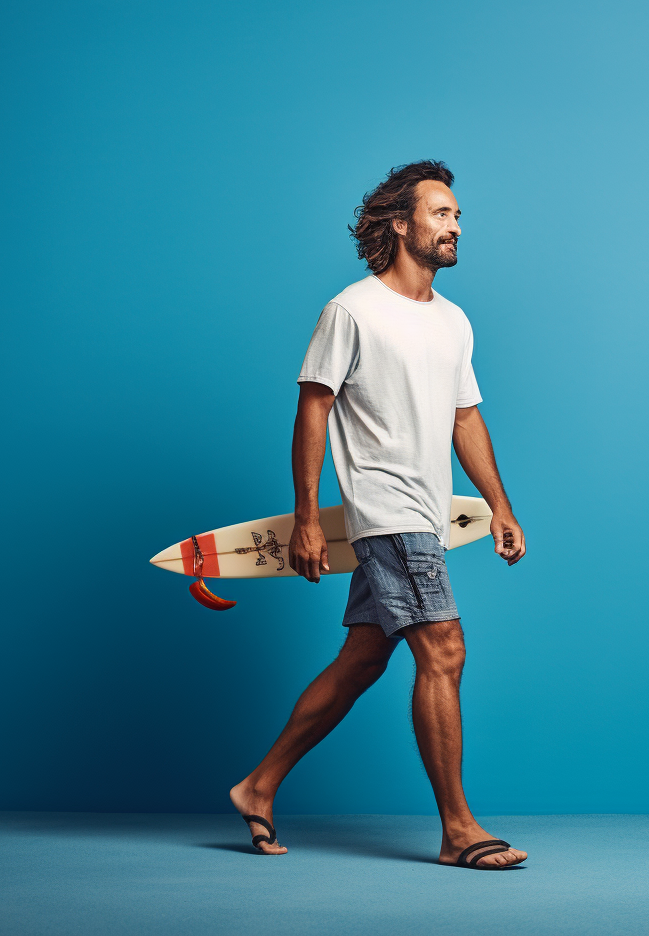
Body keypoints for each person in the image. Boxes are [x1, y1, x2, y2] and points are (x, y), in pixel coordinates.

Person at [229, 161, 527, 870]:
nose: (455, 225)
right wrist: (307, 518)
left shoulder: (453, 321)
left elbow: (465, 418)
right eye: (442, 213)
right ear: (400, 223)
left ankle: (257, 786)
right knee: (443, 652)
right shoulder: (352, 310)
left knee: (362, 661)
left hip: (428, 513)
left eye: (458, 216)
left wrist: (498, 505)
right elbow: (314, 408)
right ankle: (459, 831)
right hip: (385, 510)